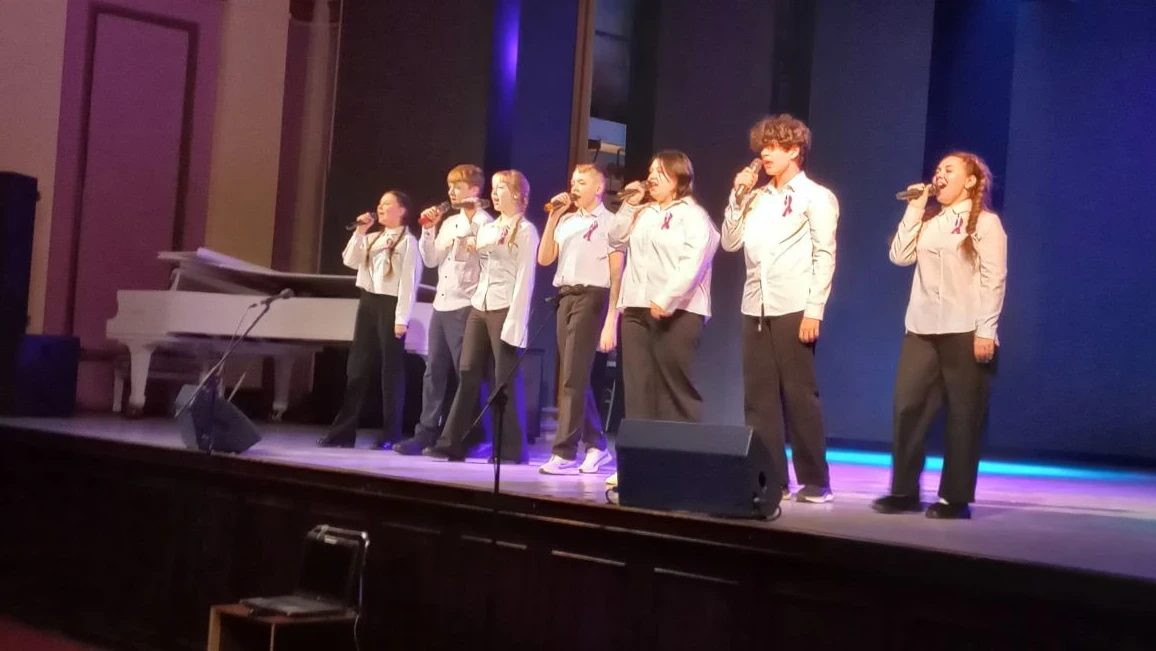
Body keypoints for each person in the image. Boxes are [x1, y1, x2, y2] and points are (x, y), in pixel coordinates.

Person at [872, 151, 1007, 520]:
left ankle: (955, 498)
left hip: (966, 328)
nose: (940, 174)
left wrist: (986, 330)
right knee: (907, 407)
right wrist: (915, 208)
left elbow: (993, 279)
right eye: (938, 169)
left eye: (950, 169)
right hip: (922, 327)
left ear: (971, 181)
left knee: (963, 415)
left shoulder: (986, 223)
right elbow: (899, 256)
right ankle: (904, 491)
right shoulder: (930, 221)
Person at [721, 114, 839, 504]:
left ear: (795, 150)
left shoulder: (816, 196)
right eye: (763, 147)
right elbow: (730, 243)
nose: (765, 155)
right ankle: (771, 478)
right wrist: (737, 197)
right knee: (758, 399)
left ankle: (816, 481)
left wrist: (814, 309)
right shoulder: (756, 198)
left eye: (774, 147)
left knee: (800, 395)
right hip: (755, 304)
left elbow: (825, 255)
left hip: (794, 305)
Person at [604, 150, 720, 487]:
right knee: (638, 389)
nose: (652, 176)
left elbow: (694, 261)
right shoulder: (644, 212)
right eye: (651, 170)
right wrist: (629, 205)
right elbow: (615, 238)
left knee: (674, 390)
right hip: (636, 308)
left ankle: (680, 466)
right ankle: (637, 466)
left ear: (679, 178)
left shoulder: (694, 215)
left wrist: (668, 297)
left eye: (661, 172)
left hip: (678, 311)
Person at [426, 170, 540, 463]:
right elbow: (464, 259)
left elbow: (525, 279)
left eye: (501, 188)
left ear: (517, 194)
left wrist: (516, 321)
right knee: (467, 372)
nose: (495, 193)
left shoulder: (525, 231)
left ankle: (511, 449)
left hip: (504, 307)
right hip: (480, 305)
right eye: (494, 187)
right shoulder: (488, 228)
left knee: (504, 378)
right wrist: (469, 233)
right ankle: (451, 442)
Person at [393, 165, 493, 456]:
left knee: (467, 375)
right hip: (442, 304)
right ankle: (425, 432)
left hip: (466, 306)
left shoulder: (486, 223)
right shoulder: (449, 222)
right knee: (433, 372)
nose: (451, 192)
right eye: (450, 186)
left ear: (474, 189)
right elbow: (431, 259)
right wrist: (429, 229)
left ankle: (474, 435)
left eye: (457, 186)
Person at [535, 164, 621, 475]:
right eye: (573, 181)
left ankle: (565, 452)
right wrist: (553, 216)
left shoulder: (611, 222)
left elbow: (616, 273)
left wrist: (612, 318)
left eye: (582, 182)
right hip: (565, 296)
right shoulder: (567, 220)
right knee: (574, 375)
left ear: (598, 188)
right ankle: (597, 445)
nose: (575, 187)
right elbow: (545, 258)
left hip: (593, 296)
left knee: (573, 375)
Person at [318, 190, 420, 449]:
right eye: (380, 204)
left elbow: (409, 283)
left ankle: (391, 433)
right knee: (357, 367)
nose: (380, 208)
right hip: (368, 303)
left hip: (391, 305)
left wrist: (402, 318)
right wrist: (360, 232)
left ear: (402, 210)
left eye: (387, 204)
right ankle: (343, 432)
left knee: (390, 371)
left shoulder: (409, 242)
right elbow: (349, 260)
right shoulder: (373, 237)